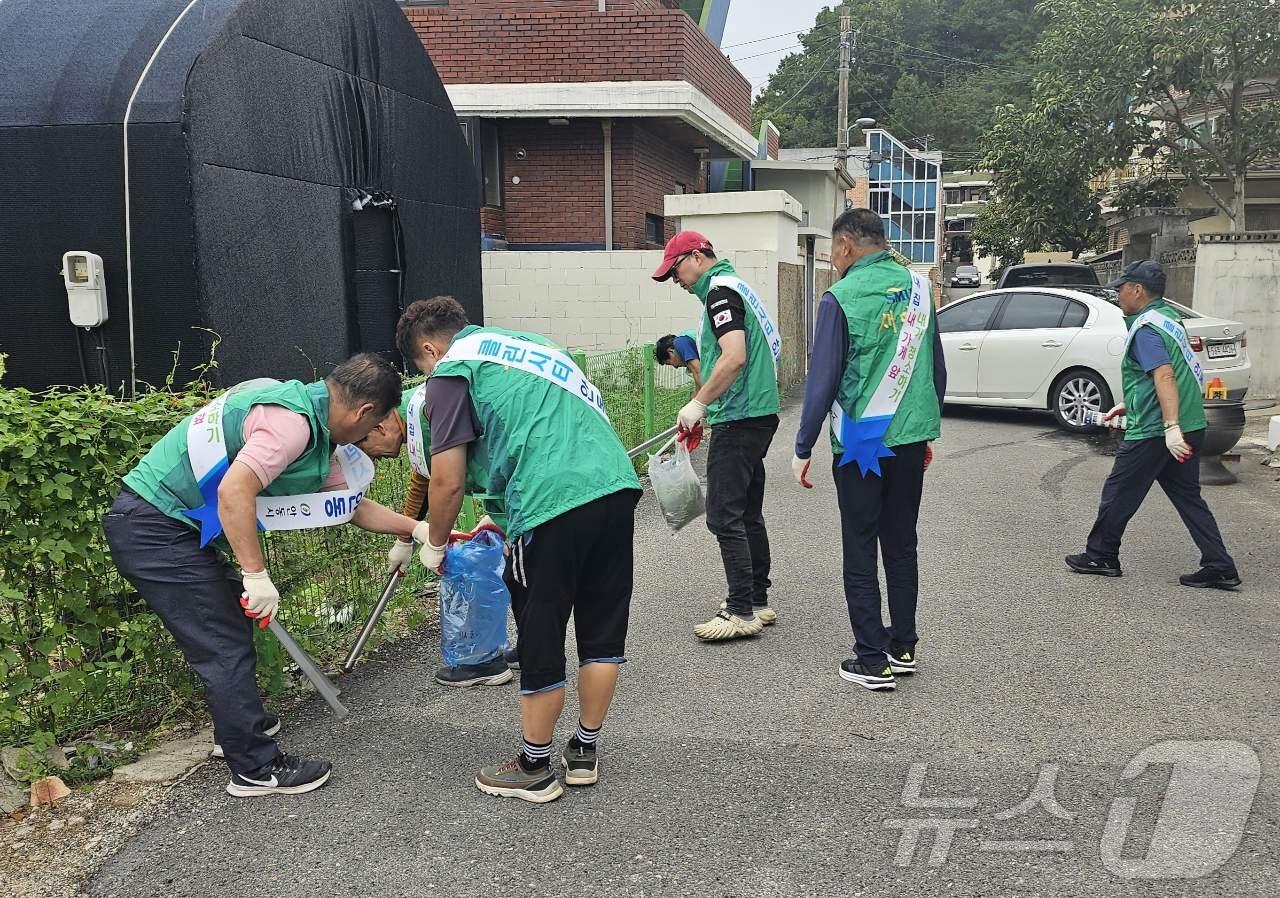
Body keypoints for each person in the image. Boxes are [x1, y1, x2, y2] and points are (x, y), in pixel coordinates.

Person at [104, 355, 428, 796]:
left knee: (227, 628)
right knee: (222, 642)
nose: (373, 438)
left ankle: (238, 729)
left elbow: (349, 505)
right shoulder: (289, 425)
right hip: (155, 527)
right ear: (363, 412)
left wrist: (416, 528)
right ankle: (255, 768)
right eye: (380, 423)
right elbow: (234, 489)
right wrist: (255, 575)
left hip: (171, 526)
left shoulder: (315, 428)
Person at [396, 296, 642, 804]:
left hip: (550, 503)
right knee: (601, 629)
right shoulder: (530, 345)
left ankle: (534, 766)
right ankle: (584, 752)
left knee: (541, 630)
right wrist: (503, 510)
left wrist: (433, 544)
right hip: (614, 489)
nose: (425, 376)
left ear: (428, 349)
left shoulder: (451, 371)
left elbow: (446, 481)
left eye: (420, 367)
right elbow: (542, 430)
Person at [792, 209, 946, 692]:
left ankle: (870, 658)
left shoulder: (840, 297)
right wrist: (924, 432)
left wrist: (802, 445)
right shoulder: (920, 290)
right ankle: (902, 646)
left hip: (861, 443)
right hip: (909, 437)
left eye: (835, 252)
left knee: (860, 544)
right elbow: (935, 369)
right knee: (901, 543)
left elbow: (823, 379)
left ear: (845, 247)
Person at [1066, 260, 1240, 589]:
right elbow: (1167, 373)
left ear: (1138, 290)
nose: (1118, 293)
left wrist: (1169, 426)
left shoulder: (1147, 328)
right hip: (1190, 425)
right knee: (1188, 497)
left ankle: (1101, 554)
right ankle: (1220, 564)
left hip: (1158, 431)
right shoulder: (1170, 319)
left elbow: (1164, 375)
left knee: (1118, 491)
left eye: (1122, 288)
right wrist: (1128, 404)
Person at [652, 231, 782, 641]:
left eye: (676, 270)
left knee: (724, 514)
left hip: (740, 415)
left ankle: (740, 609)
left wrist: (699, 403)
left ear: (696, 256)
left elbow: (734, 357)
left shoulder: (720, 293)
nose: (678, 280)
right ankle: (758, 601)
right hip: (759, 412)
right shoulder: (736, 285)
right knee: (746, 511)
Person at [371, 384, 514, 688]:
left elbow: (446, 483)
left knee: (528, 569)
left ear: (380, 425)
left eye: (362, 441)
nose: (373, 457)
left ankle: (493, 663)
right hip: (518, 487)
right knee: (519, 570)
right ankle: (524, 652)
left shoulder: (424, 410)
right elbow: (424, 476)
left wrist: (435, 541)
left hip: (522, 488)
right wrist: (405, 536)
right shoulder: (415, 413)